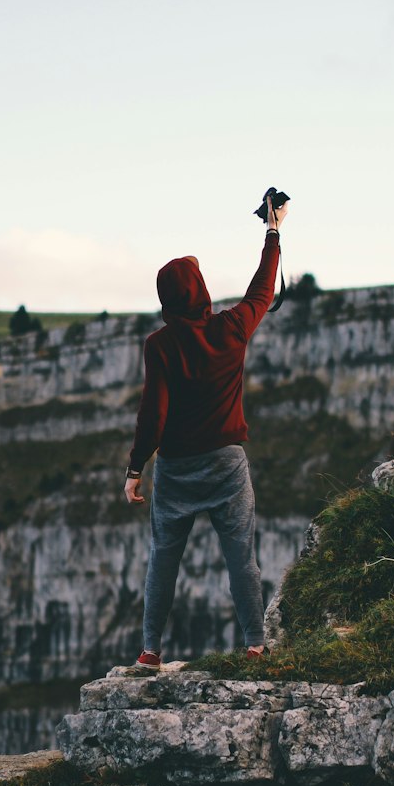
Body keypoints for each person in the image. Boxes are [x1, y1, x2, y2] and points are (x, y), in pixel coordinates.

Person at [124, 192, 290, 668]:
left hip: (176, 470)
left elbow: (152, 414)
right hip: (226, 465)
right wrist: (273, 232)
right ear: (200, 291)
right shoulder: (231, 329)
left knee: (163, 560)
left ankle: (151, 650)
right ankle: (256, 645)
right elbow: (262, 292)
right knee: (241, 557)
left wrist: (136, 468)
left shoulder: (160, 345)